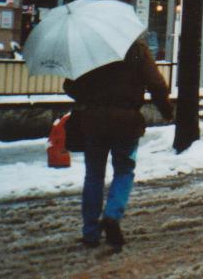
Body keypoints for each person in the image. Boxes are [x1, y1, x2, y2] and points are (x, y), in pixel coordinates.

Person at [63, 39, 173, 250]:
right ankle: (113, 215)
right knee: (124, 171)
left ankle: (90, 233)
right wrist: (166, 110)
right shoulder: (136, 48)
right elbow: (156, 84)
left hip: (93, 121)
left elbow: (71, 85)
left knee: (93, 175)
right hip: (126, 121)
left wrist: (92, 94)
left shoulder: (89, 48)